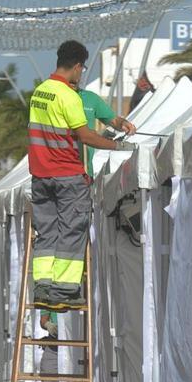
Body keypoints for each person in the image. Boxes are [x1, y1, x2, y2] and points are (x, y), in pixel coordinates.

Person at [27, 40, 135, 311]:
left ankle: (42, 288)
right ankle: (64, 291)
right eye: (82, 69)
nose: (81, 74)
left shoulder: (40, 92)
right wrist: (118, 145)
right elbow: (85, 135)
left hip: (41, 175)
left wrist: (118, 123)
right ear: (76, 67)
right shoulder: (69, 97)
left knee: (47, 232)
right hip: (67, 174)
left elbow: (105, 119)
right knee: (72, 230)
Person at [78, 83, 136, 174]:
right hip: (59, 169)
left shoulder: (90, 98)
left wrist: (123, 123)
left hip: (85, 172)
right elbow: (86, 137)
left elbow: (114, 120)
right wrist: (118, 145)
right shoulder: (57, 96)